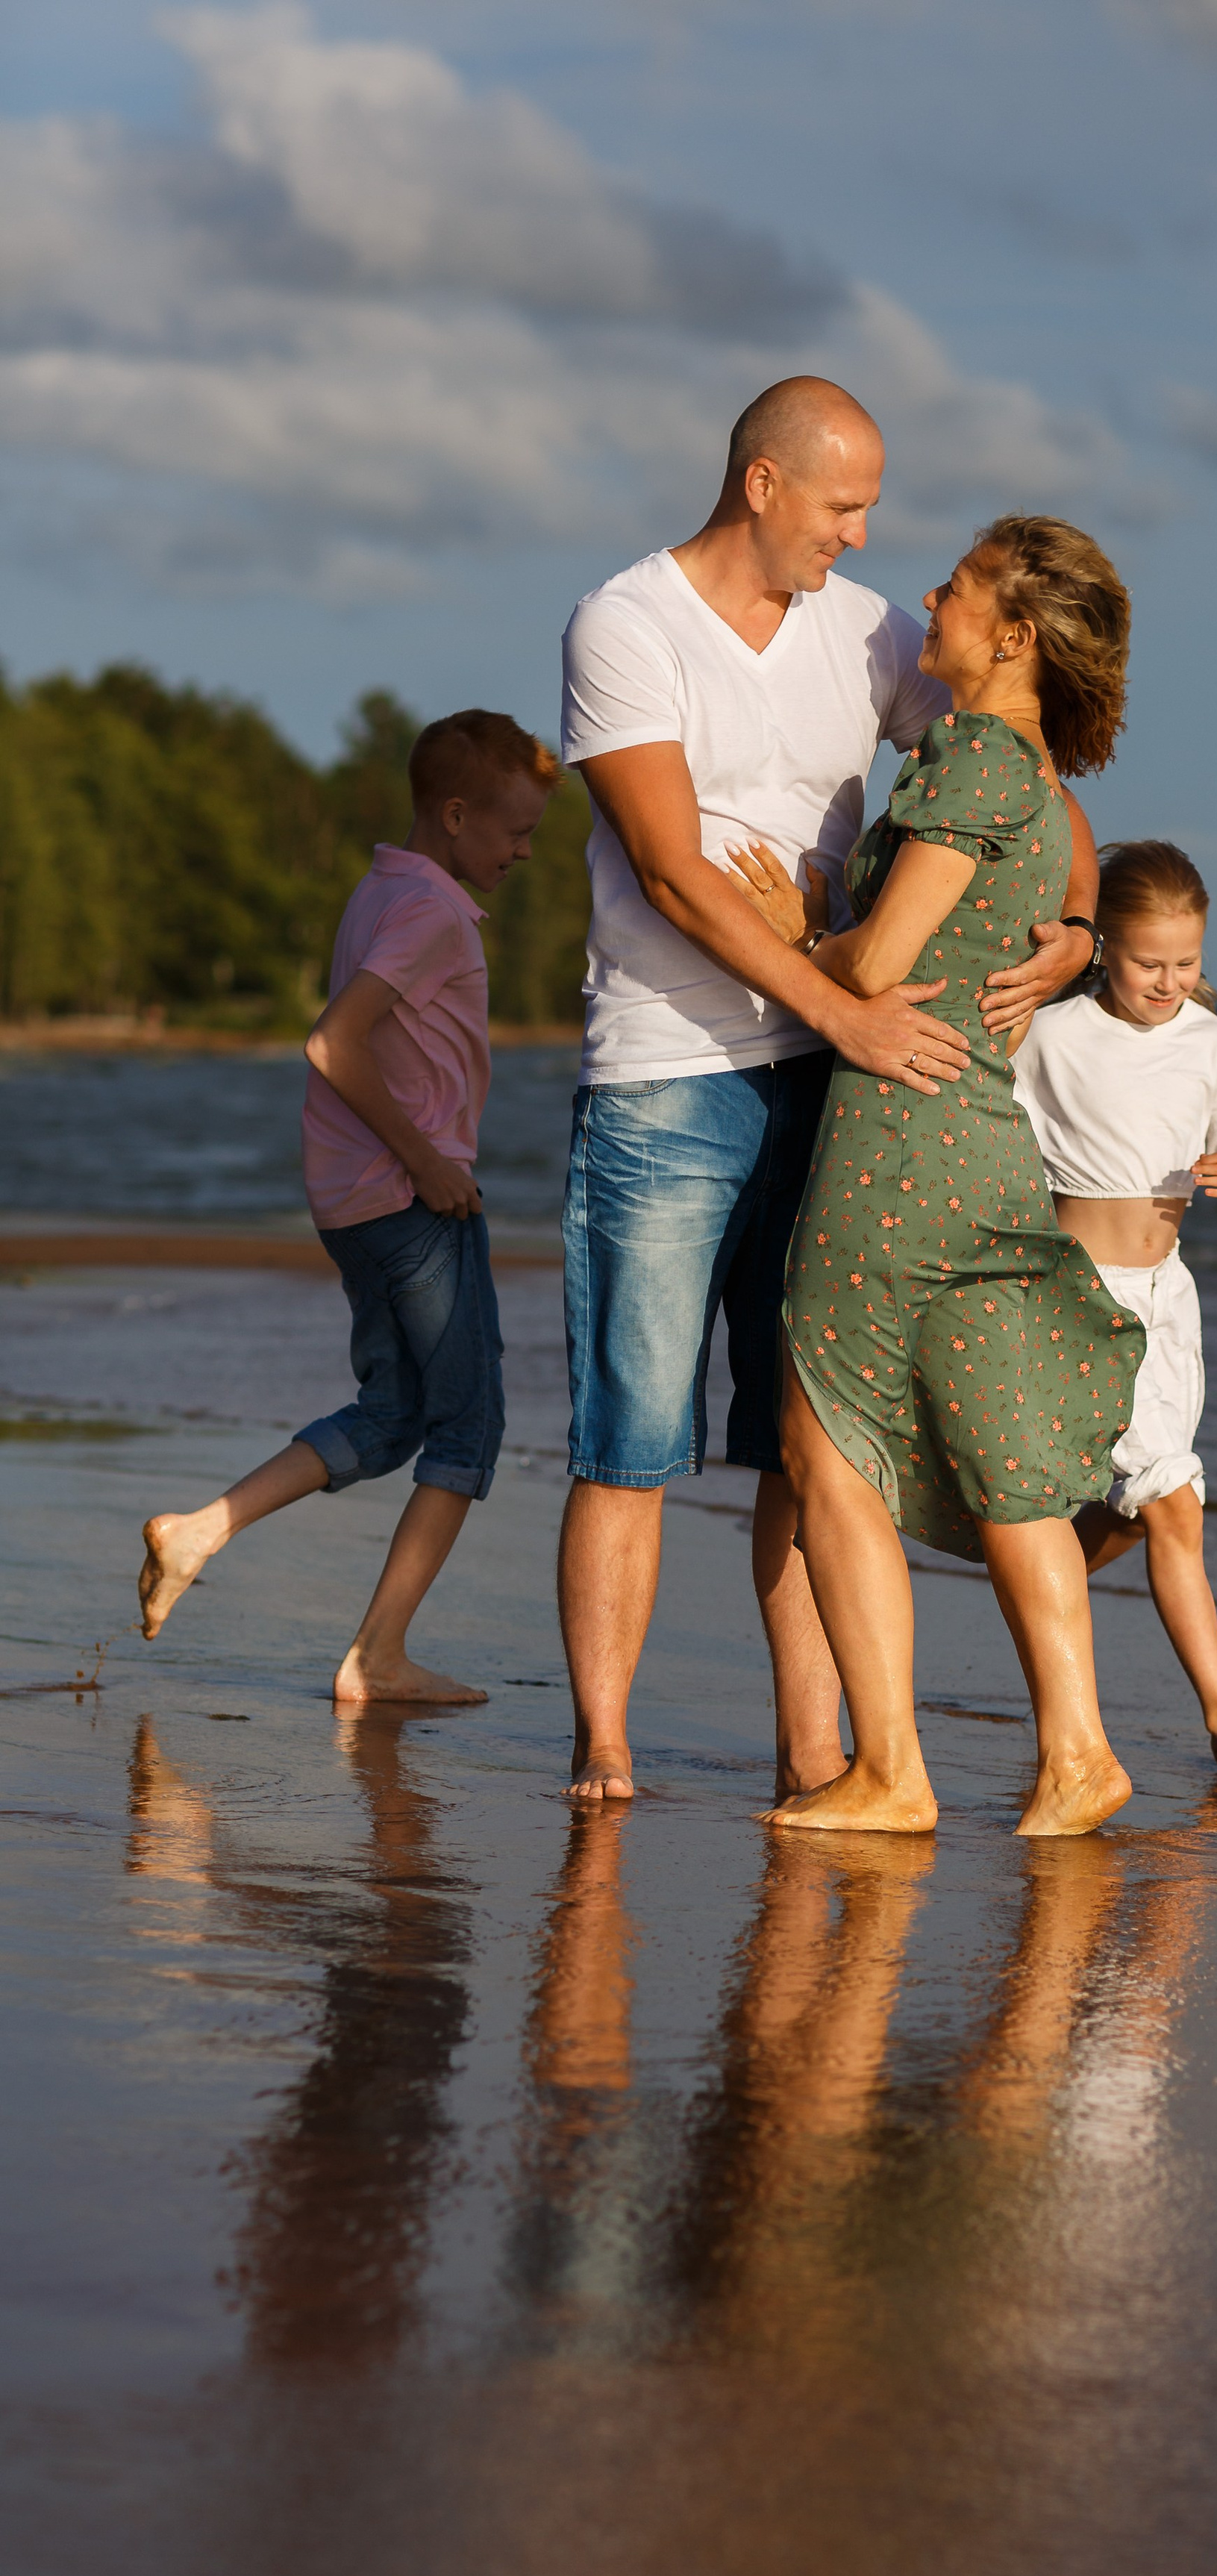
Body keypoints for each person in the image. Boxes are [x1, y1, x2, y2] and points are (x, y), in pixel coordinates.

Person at [555, 377, 1100, 1805]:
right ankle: (604, 1752)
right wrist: (841, 1004)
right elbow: (672, 869)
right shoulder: (625, 624)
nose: (863, 539)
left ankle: (819, 1752)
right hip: (671, 1076)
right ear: (763, 486)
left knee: (811, 1438)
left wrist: (1079, 934)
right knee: (632, 1435)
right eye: (844, 506)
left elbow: (1014, 757)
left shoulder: (866, 634)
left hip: (834, 1094)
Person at [734, 515, 1142, 1839]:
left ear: (1014, 635)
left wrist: (789, 921)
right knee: (1005, 1453)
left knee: (823, 1435)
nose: (931, 596)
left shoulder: (970, 750)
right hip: (975, 1134)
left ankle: (893, 1769)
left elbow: (869, 967)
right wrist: (1077, 933)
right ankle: (1076, 1753)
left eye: (957, 588)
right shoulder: (1021, 767)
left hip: (895, 1136)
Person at [136, 710, 557, 1703]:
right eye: (516, 830)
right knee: (467, 1428)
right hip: (411, 1200)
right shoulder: (430, 911)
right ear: (456, 816)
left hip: (357, 1201)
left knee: (396, 1411)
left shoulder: (384, 890)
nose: (527, 850)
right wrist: (430, 1164)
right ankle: (378, 1657)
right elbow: (334, 1043)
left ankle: (199, 1532)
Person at [1011, 840, 1217, 1769]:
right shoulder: (1053, 1035)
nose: (1170, 981)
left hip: (1165, 1303)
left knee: (1143, 1510)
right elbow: (987, 1123)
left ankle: (1028, 1565)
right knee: (1173, 1507)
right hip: (1072, 1295)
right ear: (1105, 951)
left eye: (1187, 963)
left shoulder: (1210, 1044)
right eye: (1149, 963)